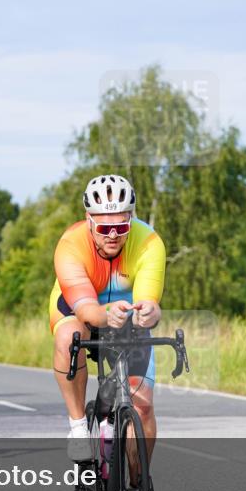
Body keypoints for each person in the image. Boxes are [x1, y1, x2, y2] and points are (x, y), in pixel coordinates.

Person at [50, 174, 165, 464]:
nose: (113, 235)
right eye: (104, 227)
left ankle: (139, 484)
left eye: (121, 226)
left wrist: (150, 311)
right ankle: (78, 427)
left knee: (143, 407)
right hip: (79, 307)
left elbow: (148, 300)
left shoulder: (149, 241)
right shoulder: (70, 245)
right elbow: (87, 309)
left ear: (131, 218)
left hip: (124, 312)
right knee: (68, 338)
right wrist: (104, 315)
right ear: (88, 220)